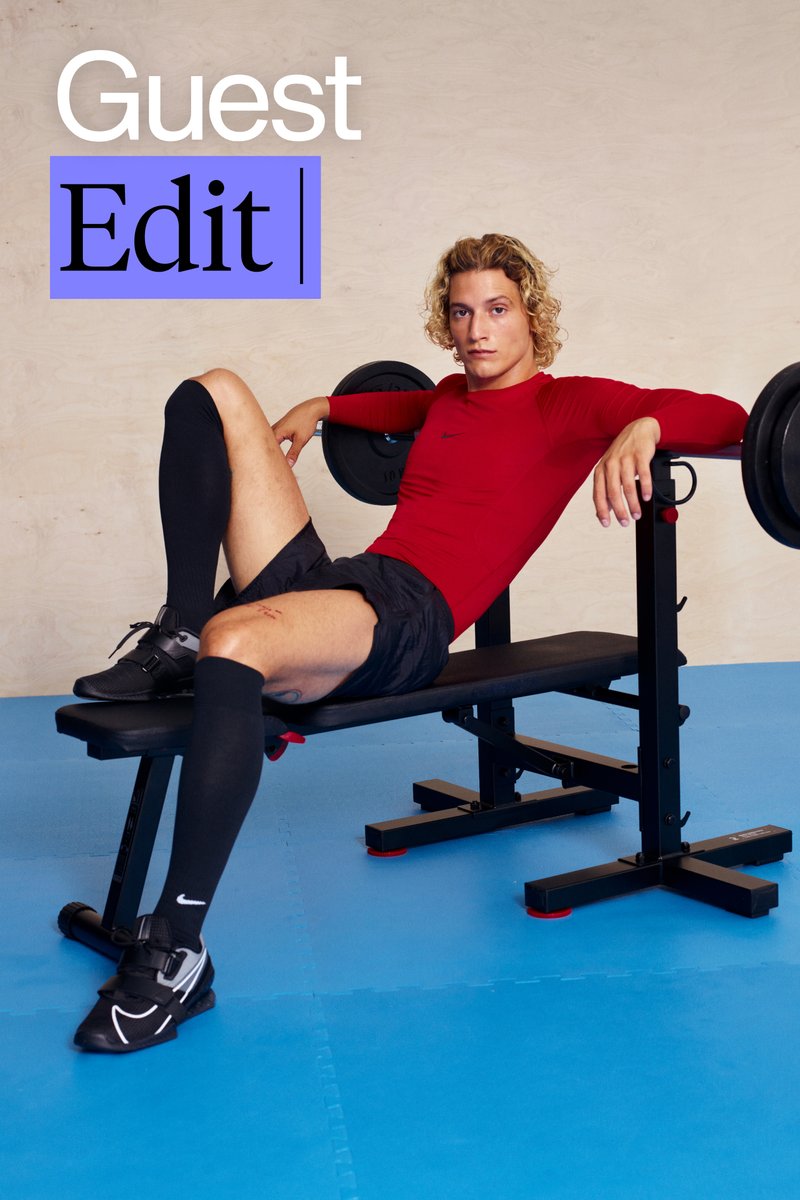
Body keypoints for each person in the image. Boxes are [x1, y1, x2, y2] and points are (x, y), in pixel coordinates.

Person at [71, 233, 748, 1053]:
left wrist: (643, 422)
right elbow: (399, 406)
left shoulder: (566, 405)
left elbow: (730, 419)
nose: (476, 330)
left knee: (238, 638)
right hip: (350, 579)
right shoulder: (447, 400)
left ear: (531, 316)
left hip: (407, 618)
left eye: (496, 310)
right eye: (461, 313)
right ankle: (178, 626)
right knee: (211, 391)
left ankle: (177, 946)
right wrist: (325, 409)